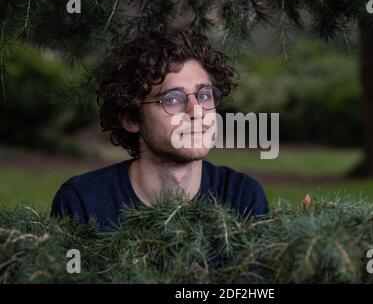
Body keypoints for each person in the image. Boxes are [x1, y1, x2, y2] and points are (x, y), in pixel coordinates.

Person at [51, 26, 269, 230]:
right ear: (131, 118)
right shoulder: (82, 203)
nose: (197, 112)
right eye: (173, 99)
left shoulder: (242, 198)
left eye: (204, 96)